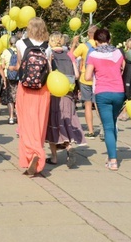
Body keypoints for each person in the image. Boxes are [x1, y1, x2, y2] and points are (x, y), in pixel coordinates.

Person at [84, 28, 125, 171]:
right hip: (119, 91)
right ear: (109, 39)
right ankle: (111, 154)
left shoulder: (93, 54)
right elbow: (123, 69)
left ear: (95, 41)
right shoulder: (118, 53)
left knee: (107, 127)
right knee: (113, 124)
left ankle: (112, 159)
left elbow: (87, 76)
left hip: (102, 92)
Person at [15, 17, 51, 176]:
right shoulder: (47, 47)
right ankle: (38, 152)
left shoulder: (21, 44)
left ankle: (31, 154)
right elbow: (49, 69)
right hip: (43, 90)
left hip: (25, 88)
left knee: (25, 123)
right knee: (39, 123)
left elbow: (18, 67)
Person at [46, 32, 84, 168]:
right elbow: (77, 75)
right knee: (67, 121)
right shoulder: (70, 55)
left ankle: (54, 157)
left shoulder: (50, 55)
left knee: (54, 124)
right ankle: (69, 147)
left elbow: (49, 73)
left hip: (55, 94)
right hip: (68, 92)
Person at [73, 25, 100, 138]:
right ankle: (103, 128)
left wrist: (74, 43)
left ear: (88, 34)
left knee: (88, 105)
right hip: (98, 78)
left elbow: (71, 56)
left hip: (85, 78)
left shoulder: (83, 46)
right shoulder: (101, 46)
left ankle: (90, 131)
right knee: (99, 105)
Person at [0, 34, 19, 124]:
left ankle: (11, 117)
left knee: (10, 98)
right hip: (19, 77)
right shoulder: (20, 51)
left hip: (9, 77)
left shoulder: (5, 52)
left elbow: (2, 66)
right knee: (18, 97)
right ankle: (18, 116)